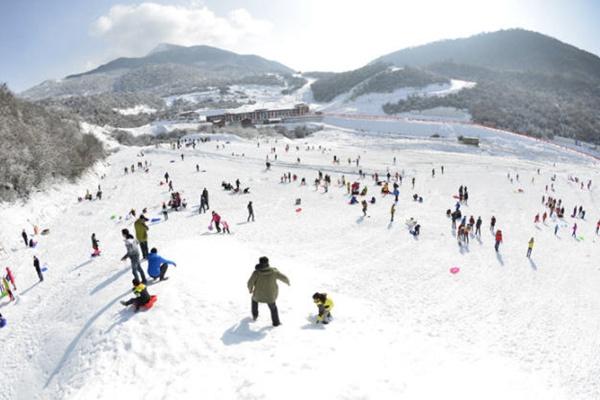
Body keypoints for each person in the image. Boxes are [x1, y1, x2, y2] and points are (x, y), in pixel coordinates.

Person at [247, 256, 290, 327]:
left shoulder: (256, 273)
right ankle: (276, 322)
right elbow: (284, 278)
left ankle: (255, 315)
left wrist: (250, 289)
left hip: (258, 295)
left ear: (260, 262)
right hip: (271, 296)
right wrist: (288, 282)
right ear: (267, 262)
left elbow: (250, 283)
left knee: (254, 300)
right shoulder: (274, 272)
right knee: (273, 308)